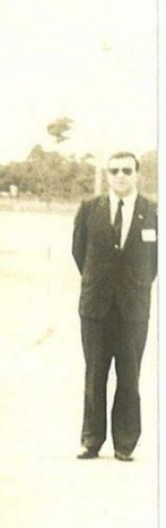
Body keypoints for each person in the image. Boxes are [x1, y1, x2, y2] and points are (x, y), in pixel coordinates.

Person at [72, 152, 157, 462]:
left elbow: (154, 262)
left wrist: (134, 286)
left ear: (137, 174)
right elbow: (79, 252)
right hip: (95, 307)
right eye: (114, 171)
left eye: (126, 170)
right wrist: (100, 284)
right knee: (94, 374)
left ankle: (125, 443)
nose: (120, 176)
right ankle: (91, 440)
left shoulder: (152, 212)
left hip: (133, 309)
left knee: (129, 375)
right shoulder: (89, 209)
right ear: (107, 175)